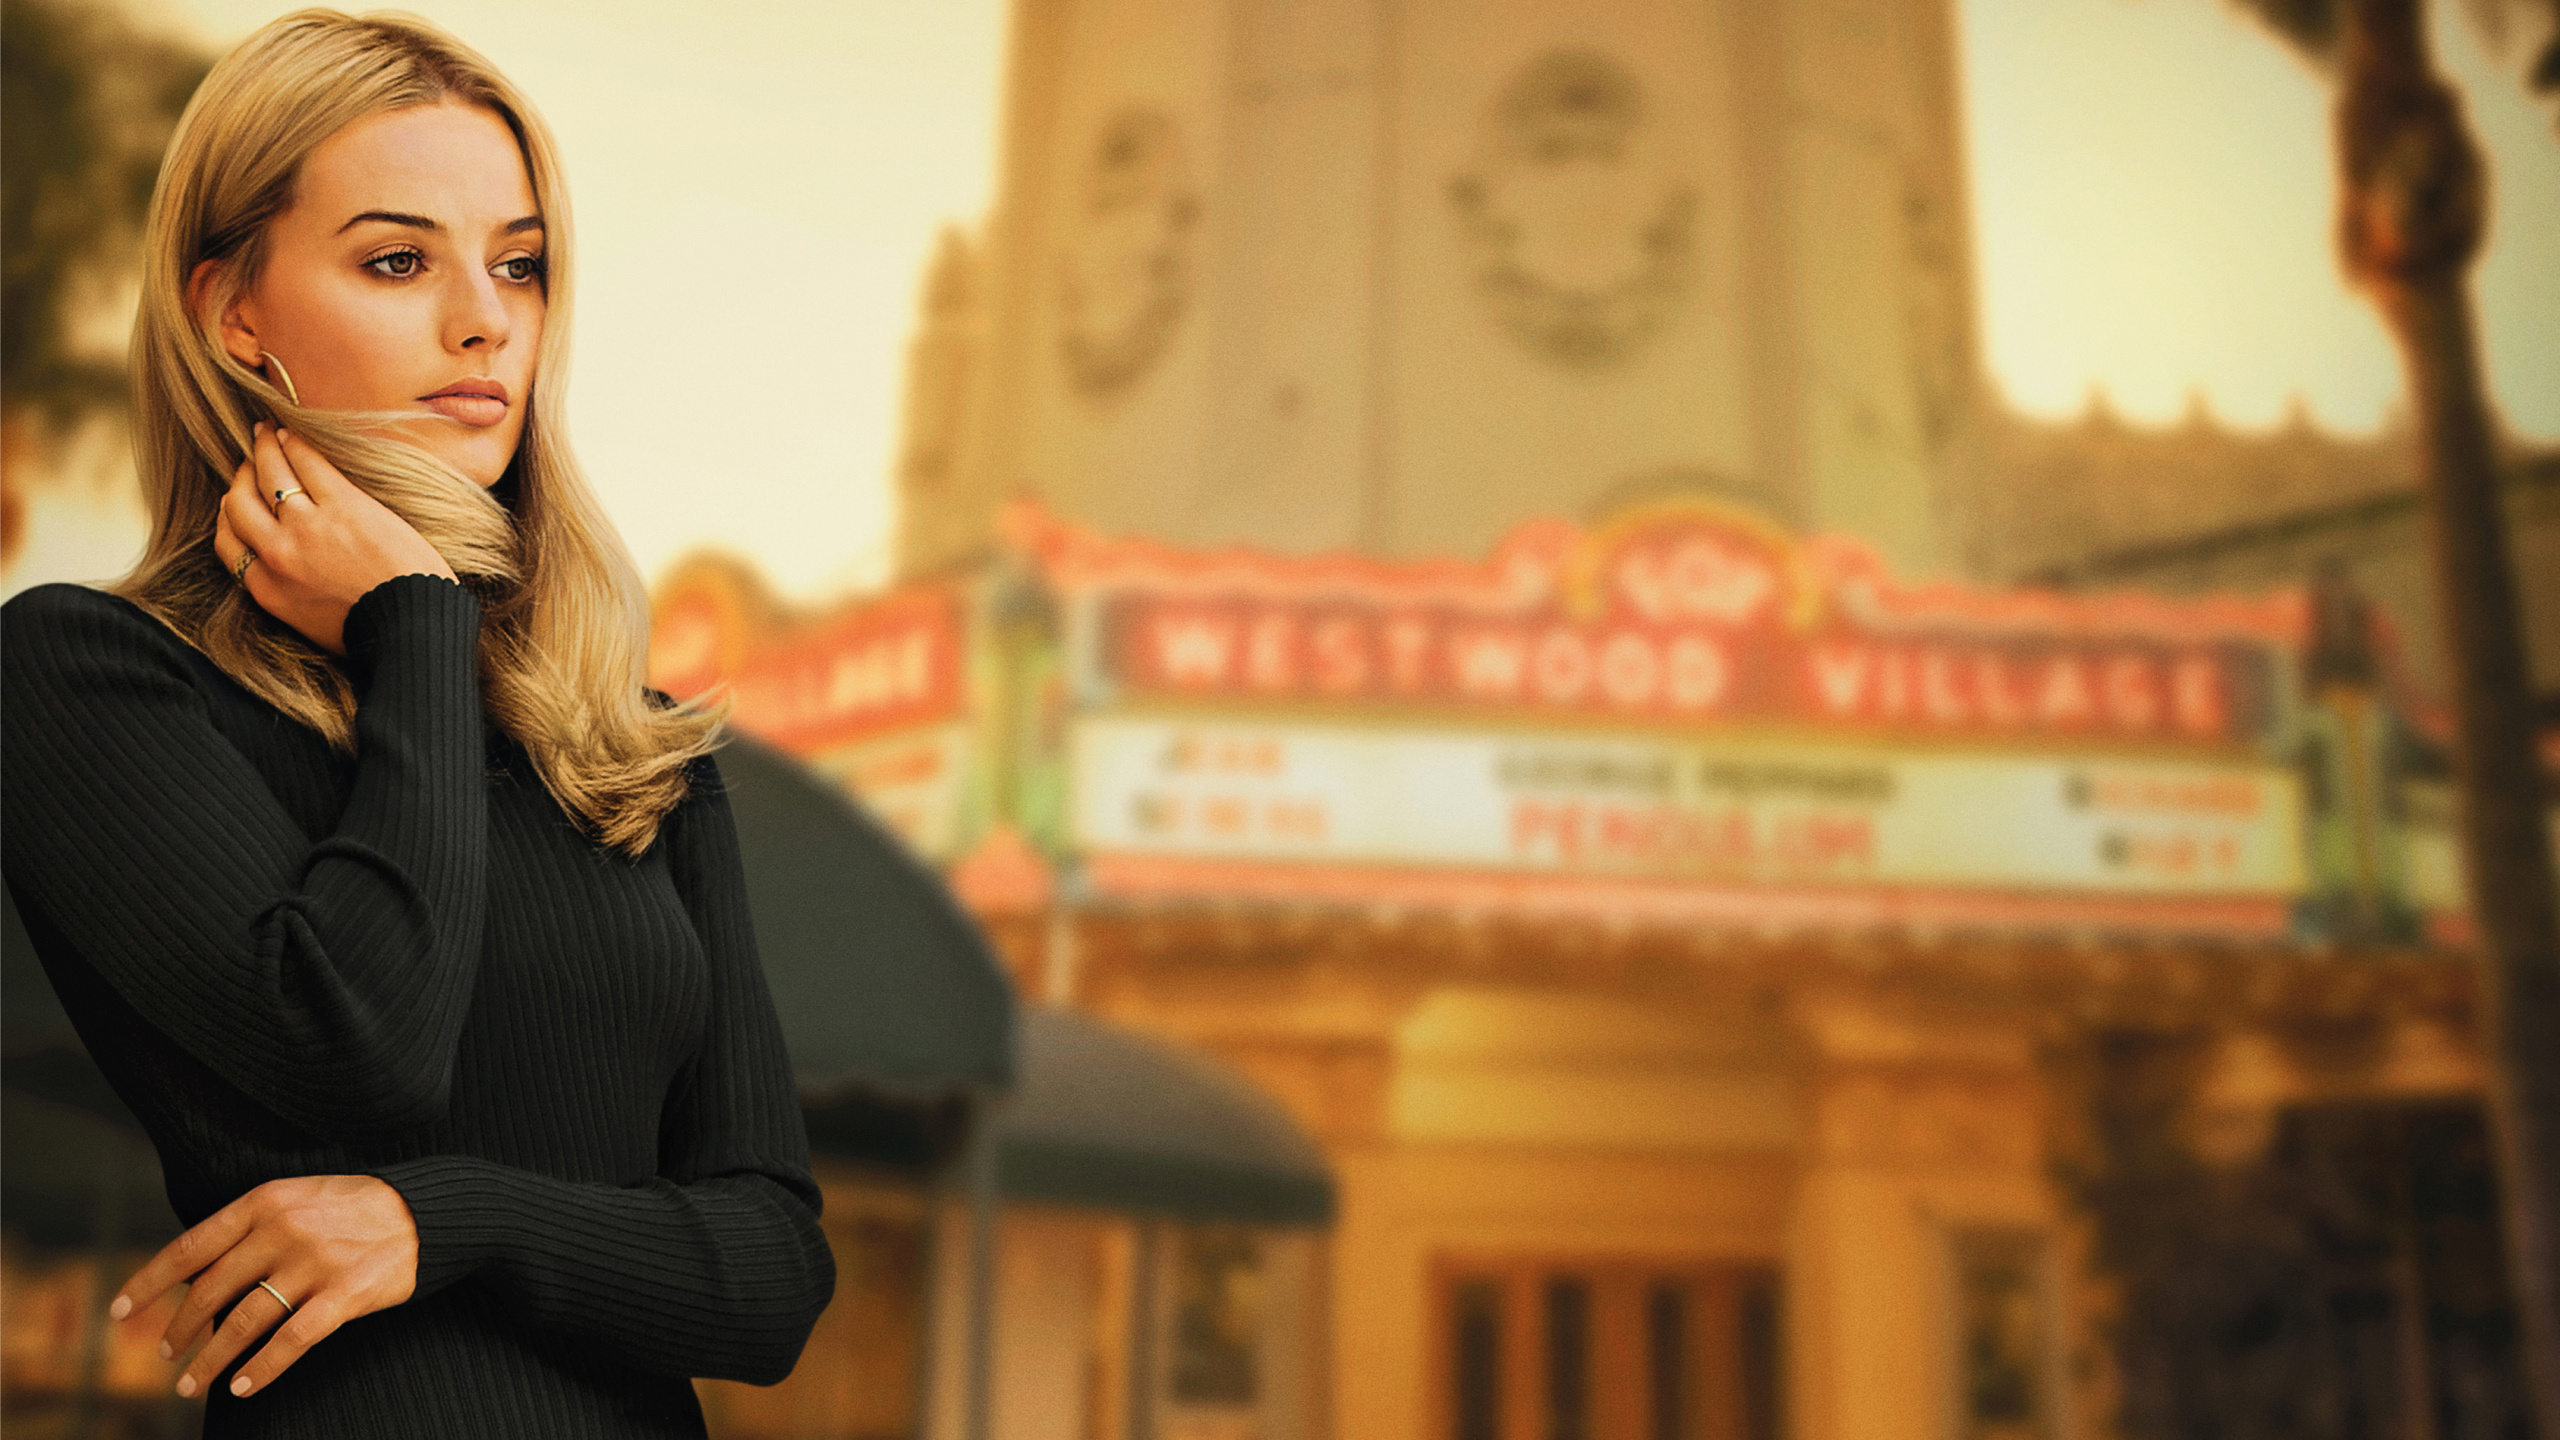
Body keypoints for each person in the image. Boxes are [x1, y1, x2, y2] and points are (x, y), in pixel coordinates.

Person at [0, 11, 835, 1436]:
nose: (483, 319)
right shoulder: (90, 677)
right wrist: (415, 624)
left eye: (519, 264)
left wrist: (444, 1221)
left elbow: (771, 1274)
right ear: (230, 314)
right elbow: (360, 1043)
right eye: (399, 260)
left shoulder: (628, 751)